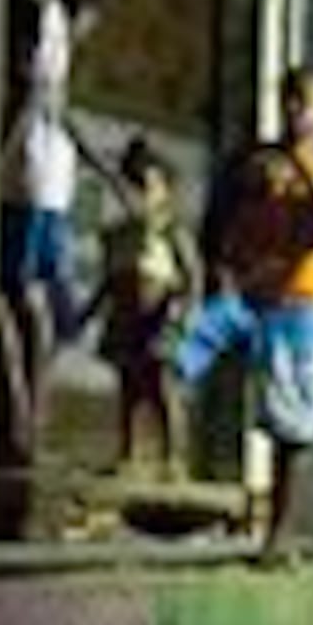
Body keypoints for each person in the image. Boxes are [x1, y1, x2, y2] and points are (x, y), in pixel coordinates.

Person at [177, 66, 313, 560]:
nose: (294, 111)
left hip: (308, 302)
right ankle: (170, 462)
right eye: (288, 99)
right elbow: (219, 222)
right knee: (176, 352)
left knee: (295, 423)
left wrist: (307, 171)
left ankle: (281, 533)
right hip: (251, 296)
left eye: (305, 101)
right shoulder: (255, 161)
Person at [0, 0, 105, 471]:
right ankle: (28, 417)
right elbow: (43, 99)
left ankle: (25, 416)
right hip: (39, 180)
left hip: (32, 180)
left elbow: (36, 98)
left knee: (19, 298)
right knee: (31, 300)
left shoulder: (45, 22)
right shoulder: (49, 21)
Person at [80, 139, 200, 474]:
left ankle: (173, 457)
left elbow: (191, 274)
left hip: (158, 313)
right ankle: (128, 453)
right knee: (129, 384)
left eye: (145, 187)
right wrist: (87, 313)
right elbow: (108, 279)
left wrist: (184, 312)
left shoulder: (169, 229)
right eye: (132, 186)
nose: (138, 195)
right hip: (125, 313)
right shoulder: (118, 234)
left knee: (160, 383)